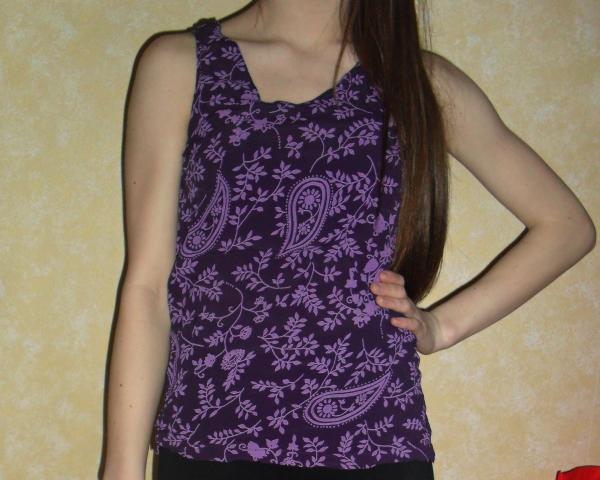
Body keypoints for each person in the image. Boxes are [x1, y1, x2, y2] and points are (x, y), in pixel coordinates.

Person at [100, 1, 596, 479]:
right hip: (209, 439)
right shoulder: (181, 66)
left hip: (373, 444)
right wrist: (121, 467)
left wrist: (441, 327)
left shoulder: (415, 81)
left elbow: (566, 227)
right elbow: (149, 287)